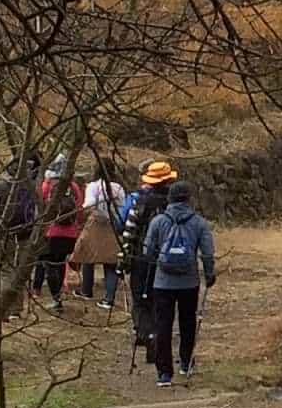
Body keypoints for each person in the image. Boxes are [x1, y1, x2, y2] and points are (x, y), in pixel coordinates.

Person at [139, 178, 217, 385]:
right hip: (189, 281)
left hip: (162, 282)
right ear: (189, 199)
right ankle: (185, 362)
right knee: (187, 322)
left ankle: (164, 373)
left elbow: (148, 250)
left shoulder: (159, 221)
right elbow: (207, 253)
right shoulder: (198, 222)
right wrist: (209, 274)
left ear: (170, 198)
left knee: (163, 325)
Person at [119, 159, 175, 357]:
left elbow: (129, 231)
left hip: (141, 258)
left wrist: (125, 255)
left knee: (140, 298)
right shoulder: (174, 203)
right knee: (159, 298)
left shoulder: (141, 201)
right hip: (168, 260)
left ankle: (146, 333)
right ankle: (157, 333)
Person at [71, 161, 123, 309]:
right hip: (113, 225)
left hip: (95, 223)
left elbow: (88, 205)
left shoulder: (93, 186)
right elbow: (123, 205)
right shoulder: (118, 187)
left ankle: (86, 290)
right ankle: (109, 298)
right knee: (111, 262)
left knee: (88, 256)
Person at [35, 157, 81, 311]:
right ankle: (57, 296)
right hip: (70, 234)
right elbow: (79, 208)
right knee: (60, 264)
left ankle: (55, 297)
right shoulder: (73, 186)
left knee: (49, 265)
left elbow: (39, 208)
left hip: (50, 231)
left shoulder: (47, 185)